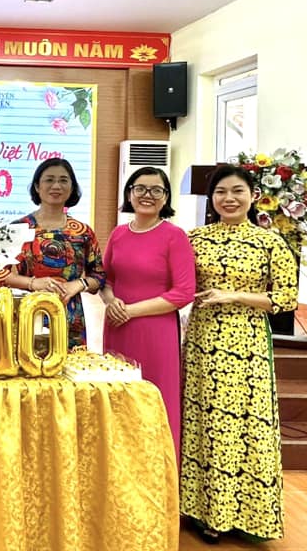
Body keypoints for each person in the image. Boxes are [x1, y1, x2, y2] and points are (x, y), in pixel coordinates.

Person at [181, 164, 298, 544]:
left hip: (246, 346)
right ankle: (197, 508)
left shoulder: (270, 242)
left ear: (253, 196)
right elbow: (176, 283)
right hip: (201, 342)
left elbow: (286, 298)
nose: (228, 199)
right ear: (211, 198)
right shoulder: (194, 238)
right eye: (220, 192)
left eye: (237, 191)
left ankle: (239, 514)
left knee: (240, 425)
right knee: (202, 421)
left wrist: (234, 296)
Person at [100, 166, 195, 467]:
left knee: (155, 400)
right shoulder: (119, 233)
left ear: (166, 198)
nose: (147, 195)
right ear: (129, 193)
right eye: (140, 188)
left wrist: (130, 310)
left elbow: (183, 293)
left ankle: (158, 475)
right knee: (118, 399)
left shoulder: (174, 236)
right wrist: (112, 301)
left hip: (156, 331)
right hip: (118, 328)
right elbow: (105, 280)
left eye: (156, 190)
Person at [0, 158, 104, 348]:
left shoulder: (82, 232)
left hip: (70, 318)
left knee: (71, 365)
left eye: (63, 180)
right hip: (26, 315)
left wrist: (78, 285)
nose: (56, 186)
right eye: (49, 180)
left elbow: (98, 277)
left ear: (72, 188)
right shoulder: (18, 228)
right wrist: (33, 283)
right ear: (37, 187)